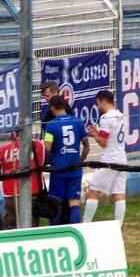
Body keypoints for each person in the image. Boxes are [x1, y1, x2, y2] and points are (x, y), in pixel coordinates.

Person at [83, 90, 128, 226]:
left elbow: (103, 142)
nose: (98, 107)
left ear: (102, 102)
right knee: (119, 194)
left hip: (109, 161)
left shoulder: (106, 118)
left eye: (98, 104)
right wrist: (97, 133)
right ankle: (118, 226)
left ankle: (86, 224)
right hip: (122, 158)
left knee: (93, 191)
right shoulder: (122, 116)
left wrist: (95, 134)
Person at [45, 95, 90, 224]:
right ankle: (75, 230)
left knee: (56, 202)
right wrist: (80, 161)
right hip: (75, 168)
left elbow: (47, 148)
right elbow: (87, 147)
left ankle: (55, 232)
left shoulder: (51, 126)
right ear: (65, 106)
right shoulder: (78, 122)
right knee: (74, 202)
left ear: (52, 107)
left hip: (58, 169)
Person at [0, 129, 46, 229]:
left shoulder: (2, 149)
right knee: (31, 223)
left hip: (10, 192)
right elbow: (43, 161)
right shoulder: (38, 145)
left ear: (14, 133)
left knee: (10, 224)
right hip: (32, 190)